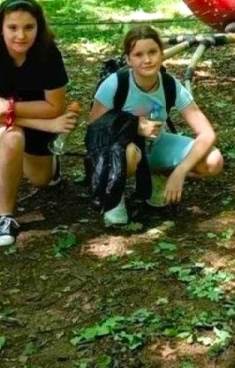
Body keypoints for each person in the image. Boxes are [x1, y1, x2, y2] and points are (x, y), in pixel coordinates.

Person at [0, 0, 78, 247]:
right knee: (12, 138)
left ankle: (44, 165)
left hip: (38, 113)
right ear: (1, 28)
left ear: (38, 28)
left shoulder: (48, 53)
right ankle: (4, 218)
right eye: (13, 28)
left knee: (41, 180)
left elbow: (55, 107)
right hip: (17, 119)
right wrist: (47, 125)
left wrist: (10, 106)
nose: (21, 35)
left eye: (28, 27)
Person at [87, 25, 224, 225]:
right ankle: (114, 195)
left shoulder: (169, 84)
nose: (147, 60)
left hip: (156, 145)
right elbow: (94, 130)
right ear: (128, 59)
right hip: (121, 151)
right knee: (129, 153)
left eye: (152, 52)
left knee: (213, 160)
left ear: (161, 54)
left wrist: (180, 171)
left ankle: (157, 176)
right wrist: (134, 126)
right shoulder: (116, 84)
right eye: (138, 54)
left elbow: (206, 133)